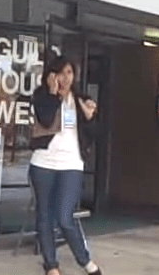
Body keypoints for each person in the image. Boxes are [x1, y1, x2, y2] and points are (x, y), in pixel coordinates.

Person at [29, 56, 102, 275]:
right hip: (43, 162)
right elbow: (45, 118)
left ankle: (85, 261)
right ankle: (51, 265)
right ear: (51, 75)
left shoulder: (80, 99)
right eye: (60, 73)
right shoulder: (41, 95)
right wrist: (53, 94)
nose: (65, 77)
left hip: (71, 163)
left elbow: (95, 134)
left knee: (64, 217)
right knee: (44, 216)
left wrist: (90, 118)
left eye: (69, 73)